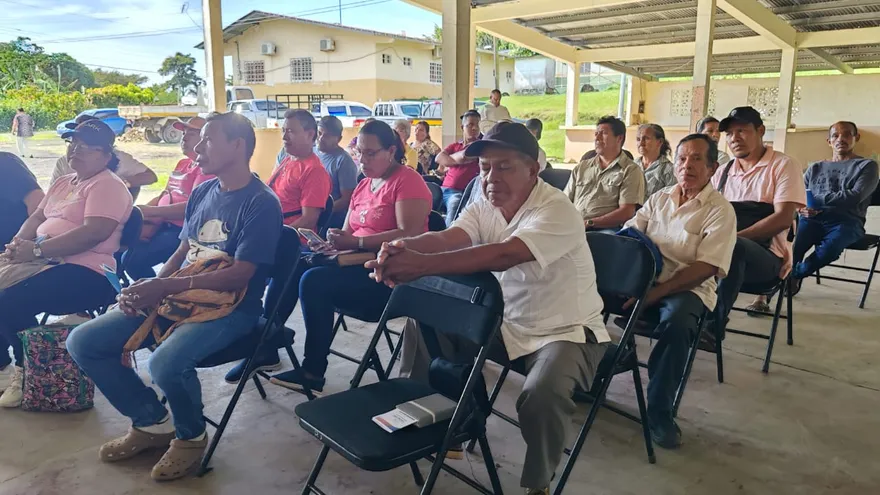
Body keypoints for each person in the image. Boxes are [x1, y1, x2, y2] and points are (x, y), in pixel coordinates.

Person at [367, 122, 609, 495]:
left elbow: (504, 254)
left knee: (541, 394)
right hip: (507, 321)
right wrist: (405, 247)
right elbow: (450, 238)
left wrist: (421, 265)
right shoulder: (484, 203)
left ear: (534, 168)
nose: (491, 177)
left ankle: (538, 484)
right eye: (484, 168)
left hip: (565, 329)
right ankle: (441, 422)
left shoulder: (557, 209)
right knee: (423, 325)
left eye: (504, 167)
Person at [66, 112, 283, 481]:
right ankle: (151, 423)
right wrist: (148, 290)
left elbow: (242, 274)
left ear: (238, 145)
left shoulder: (261, 202)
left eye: (208, 140)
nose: (197, 148)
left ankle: (190, 438)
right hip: (182, 294)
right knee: (83, 341)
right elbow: (183, 250)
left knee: (165, 364)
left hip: (232, 306)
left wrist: (163, 287)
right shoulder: (203, 190)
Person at [246, 120, 432, 394]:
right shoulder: (364, 185)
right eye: (359, 152)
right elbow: (346, 231)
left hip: (389, 274)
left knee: (314, 282)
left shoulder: (407, 180)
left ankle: (313, 370)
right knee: (296, 264)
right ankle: (266, 341)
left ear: (391, 151)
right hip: (356, 261)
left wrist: (356, 241)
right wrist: (331, 243)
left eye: (371, 153)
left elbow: (410, 233)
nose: (363, 160)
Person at [0, 120, 133, 408]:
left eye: (86, 146)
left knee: (8, 300)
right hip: (46, 262)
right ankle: (28, 362)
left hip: (89, 273)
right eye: (73, 144)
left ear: (106, 155)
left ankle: (28, 371)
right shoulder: (63, 182)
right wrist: (16, 245)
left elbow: (93, 234)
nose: (76, 150)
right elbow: (36, 218)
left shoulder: (108, 185)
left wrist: (35, 250)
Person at [623, 133, 737, 448]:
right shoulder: (659, 198)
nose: (687, 165)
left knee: (677, 324)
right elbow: (632, 234)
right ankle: (589, 377)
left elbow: (706, 267)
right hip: (647, 281)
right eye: (683, 158)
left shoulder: (720, 210)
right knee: (591, 297)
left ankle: (660, 411)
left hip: (689, 288)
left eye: (697, 159)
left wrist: (652, 296)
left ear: (713, 167)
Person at [712, 106, 805, 320]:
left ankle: (712, 325)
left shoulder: (783, 165)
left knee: (735, 248)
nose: (735, 138)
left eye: (742, 131)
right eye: (730, 134)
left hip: (768, 259)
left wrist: (730, 241)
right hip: (720, 254)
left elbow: (783, 219)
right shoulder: (723, 172)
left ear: (761, 131)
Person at [791, 121, 879, 293]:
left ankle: (795, 274)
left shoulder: (867, 166)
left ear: (856, 138)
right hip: (813, 219)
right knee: (794, 245)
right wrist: (801, 209)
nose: (841, 139)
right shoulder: (815, 168)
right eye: (835, 135)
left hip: (848, 222)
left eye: (846, 134)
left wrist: (817, 198)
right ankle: (772, 291)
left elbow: (855, 196)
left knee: (830, 249)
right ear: (829, 141)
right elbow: (798, 195)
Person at [122, 117, 213, 280]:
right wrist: (139, 215)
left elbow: (192, 208)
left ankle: (153, 296)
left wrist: (151, 212)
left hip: (181, 230)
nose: (184, 137)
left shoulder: (206, 169)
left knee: (134, 260)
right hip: (162, 224)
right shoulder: (183, 163)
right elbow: (165, 194)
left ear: (206, 139)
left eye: (191, 133)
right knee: (119, 248)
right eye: (184, 132)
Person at [0, 152, 44, 371]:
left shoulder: (5, 164)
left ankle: (27, 367)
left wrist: (22, 246)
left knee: (6, 296)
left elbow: (38, 206)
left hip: (16, 250)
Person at [564, 116, 646, 231]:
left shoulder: (631, 170)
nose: (597, 138)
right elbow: (564, 201)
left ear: (619, 138)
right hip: (574, 225)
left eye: (603, 133)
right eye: (596, 133)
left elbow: (626, 212)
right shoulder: (582, 167)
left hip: (605, 229)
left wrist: (590, 223)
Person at [51, 114, 158, 191]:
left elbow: (150, 176)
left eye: (85, 144)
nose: (76, 149)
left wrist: (121, 184)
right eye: (74, 140)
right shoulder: (64, 162)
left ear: (106, 156)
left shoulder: (120, 159)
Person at [268, 109, 332, 230]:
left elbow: (308, 220)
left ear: (310, 135)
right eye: (283, 131)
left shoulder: (314, 171)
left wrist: (275, 235)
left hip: (291, 240)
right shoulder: (288, 160)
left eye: (290, 131)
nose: (284, 137)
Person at [436, 110, 482, 226]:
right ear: (462, 127)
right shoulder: (456, 145)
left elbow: (464, 156)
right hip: (442, 189)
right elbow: (439, 158)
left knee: (455, 203)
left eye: (477, 125)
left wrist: (450, 160)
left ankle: (445, 239)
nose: (474, 128)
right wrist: (456, 159)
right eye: (470, 125)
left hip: (459, 193)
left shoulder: (481, 146)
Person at [314, 116, 359, 229]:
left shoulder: (344, 161)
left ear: (338, 139)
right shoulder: (311, 152)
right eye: (319, 133)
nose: (321, 138)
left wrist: (321, 211)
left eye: (327, 135)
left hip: (330, 220)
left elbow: (346, 199)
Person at [636, 123, 676, 199]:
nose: (641, 143)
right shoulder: (632, 165)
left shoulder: (669, 170)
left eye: (646, 139)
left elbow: (671, 200)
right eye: (638, 139)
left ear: (660, 142)